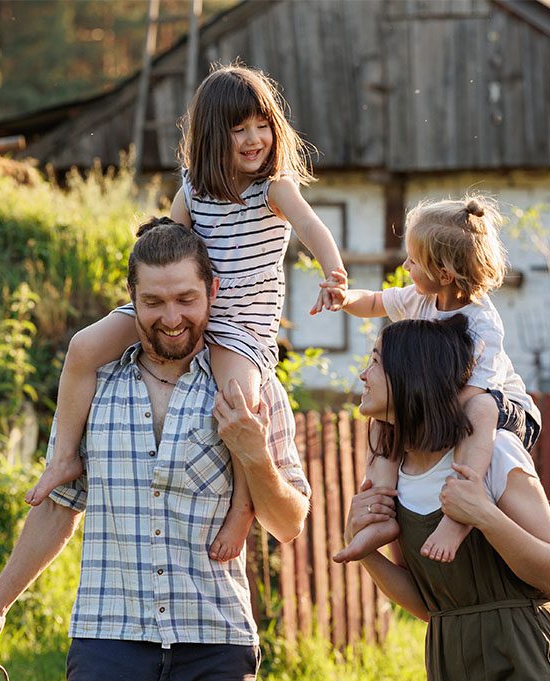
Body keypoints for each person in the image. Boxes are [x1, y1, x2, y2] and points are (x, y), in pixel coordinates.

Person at [0, 218, 311, 681]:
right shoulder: (94, 382)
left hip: (214, 643)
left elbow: (289, 522)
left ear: (213, 294)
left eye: (185, 299)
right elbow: (58, 507)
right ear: (131, 300)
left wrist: (254, 455)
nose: (171, 317)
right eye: (153, 301)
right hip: (108, 641)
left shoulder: (250, 388)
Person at [26, 63, 346, 567]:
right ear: (211, 137)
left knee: (238, 401)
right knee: (84, 347)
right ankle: (65, 455)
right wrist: (145, 288)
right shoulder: (193, 189)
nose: (253, 138)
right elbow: (167, 244)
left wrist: (334, 274)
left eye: (261, 125)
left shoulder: (274, 188)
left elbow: (312, 226)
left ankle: (242, 506)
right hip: (185, 305)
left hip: (239, 328)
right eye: (237, 129)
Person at [345, 317, 550, 681]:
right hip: (451, 669)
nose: (362, 374)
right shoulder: (397, 474)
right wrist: (365, 554)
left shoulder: (493, 454)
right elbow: (432, 604)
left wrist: (485, 516)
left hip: (526, 666)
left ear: (411, 375)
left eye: (374, 362)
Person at [328, 194, 540, 564]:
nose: (406, 265)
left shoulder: (482, 324)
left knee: (481, 411)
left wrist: (423, 420)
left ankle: (459, 514)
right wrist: (345, 298)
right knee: (383, 417)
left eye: (413, 260)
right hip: (448, 401)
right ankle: (381, 507)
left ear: (444, 274)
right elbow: (376, 303)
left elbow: (472, 395)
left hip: (506, 409)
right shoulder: (419, 299)